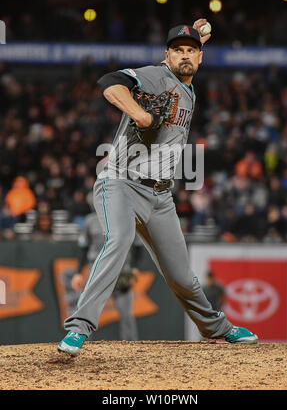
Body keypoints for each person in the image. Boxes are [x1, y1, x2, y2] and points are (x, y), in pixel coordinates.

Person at [58, 19, 258, 356]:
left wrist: (196, 38)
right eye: (177, 50)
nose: (184, 56)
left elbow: (189, 54)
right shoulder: (157, 75)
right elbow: (110, 83)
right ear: (165, 55)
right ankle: (78, 328)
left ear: (200, 57)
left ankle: (218, 328)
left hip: (159, 196)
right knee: (118, 240)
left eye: (191, 52)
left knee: (181, 275)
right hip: (119, 183)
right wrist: (141, 115)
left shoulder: (186, 80)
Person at [71, 208, 139, 341]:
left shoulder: (127, 217)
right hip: (97, 271)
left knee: (126, 314)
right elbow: (83, 248)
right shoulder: (90, 220)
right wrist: (78, 272)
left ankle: (132, 349)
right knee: (86, 311)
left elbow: (138, 245)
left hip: (121, 270)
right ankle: (81, 345)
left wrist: (135, 267)